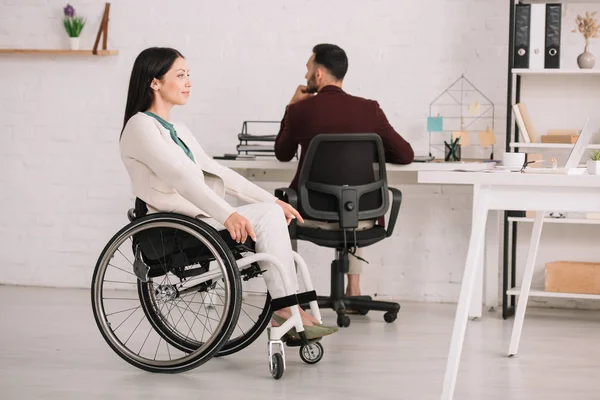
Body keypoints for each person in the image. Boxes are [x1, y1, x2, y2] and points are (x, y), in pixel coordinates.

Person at [119, 47, 337, 338]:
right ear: (154, 82)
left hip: (198, 220)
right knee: (267, 217)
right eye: (180, 75)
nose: (188, 82)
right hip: (172, 229)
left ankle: (287, 307)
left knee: (271, 212)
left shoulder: (177, 129)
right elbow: (182, 179)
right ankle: (286, 309)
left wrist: (271, 200)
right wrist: (228, 214)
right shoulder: (139, 126)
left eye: (188, 75)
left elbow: (219, 172)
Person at [275, 43, 414, 301]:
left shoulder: (300, 111)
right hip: (363, 216)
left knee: (283, 206)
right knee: (350, 197)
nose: (305, 76)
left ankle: (291, 295)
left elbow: (282, 153)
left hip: (311, 213)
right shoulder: (369, 109)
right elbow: (405, 155)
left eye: (307, 69)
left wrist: (290, 106)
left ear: (318, 74)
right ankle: (353, 291)